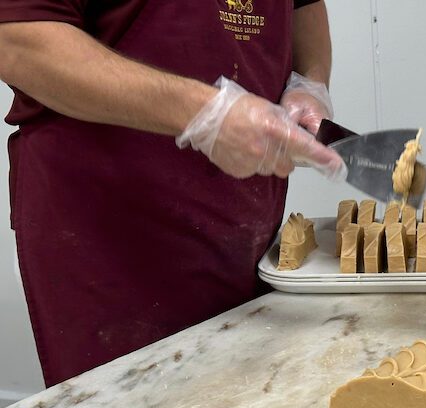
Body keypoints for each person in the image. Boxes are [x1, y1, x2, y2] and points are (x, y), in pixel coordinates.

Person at [0, 0, 343, 387]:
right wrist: (206, 113)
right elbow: (17, 41)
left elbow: (305, 7)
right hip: (108, 237)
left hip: (243, 229)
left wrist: (309, 82)